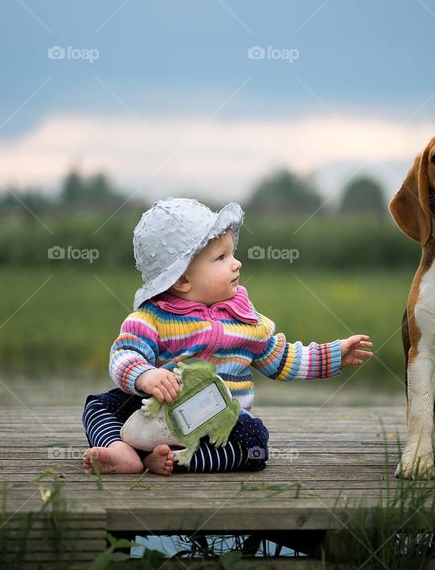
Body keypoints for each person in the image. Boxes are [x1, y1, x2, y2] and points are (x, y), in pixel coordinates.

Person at [82, 198, 374, 476]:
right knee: (99, 404)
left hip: (219, 421)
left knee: (255, 445)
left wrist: (333, 355)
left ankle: (175, 459)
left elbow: (282, 358)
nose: (237, 264)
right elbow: (125, 354)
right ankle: (120, 450)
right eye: (221, 258)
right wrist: (145, 376)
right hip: (157, 414)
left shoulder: (245, 318)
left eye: (232, 254)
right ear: (182, 279)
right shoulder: (153, 318)